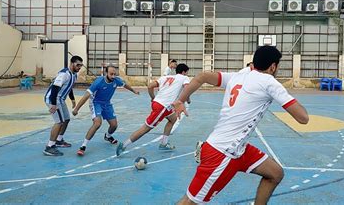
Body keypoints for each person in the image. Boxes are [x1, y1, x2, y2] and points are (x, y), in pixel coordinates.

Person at [172, 46, 309, 204]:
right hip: (222, 152)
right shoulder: (270, 83)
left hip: (239, 149)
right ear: (273, 66)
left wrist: (180, 100)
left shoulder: (239, 75)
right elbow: (303, 118)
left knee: (275, 173)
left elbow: (202, 76)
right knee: (190, 201)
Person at [116, 63, 190, 156]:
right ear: (183, 72)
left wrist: (153, 97)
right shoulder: (184, 78)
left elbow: (150, 86)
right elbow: (187, 89)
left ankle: (164, 143)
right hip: (162, 107)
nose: (187, 74)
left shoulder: (165, 77)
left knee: (173, 118)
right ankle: (124, 145)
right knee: (146, 128)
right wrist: (187, 99)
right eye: (187, 73)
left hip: (161, 105)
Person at [72, 66, 139, 156]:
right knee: (97, 123)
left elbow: (124, 84)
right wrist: (76, 109)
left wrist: (133, 90)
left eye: (115, 74)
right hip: (96, 103)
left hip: (107, 104)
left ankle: (107, 136)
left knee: (114, 125)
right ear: (106, 73)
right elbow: (86, 96)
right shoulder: (98, 82)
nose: (113, 76)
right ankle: (83, 146)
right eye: (111, 74)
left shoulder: (116, 80)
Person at [43, 55, 83, 156]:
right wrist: (53, 104)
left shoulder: (74, 75)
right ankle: (49, 146)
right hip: (54, 99)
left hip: (61, 99)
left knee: (66, 119)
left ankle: (59, 140)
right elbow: (55, 88)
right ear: (71, 63)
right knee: (59, 122)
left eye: (81, 65)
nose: (79, 67)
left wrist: (73, 99)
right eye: (77, 65)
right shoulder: (64, 74)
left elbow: (69, 87)